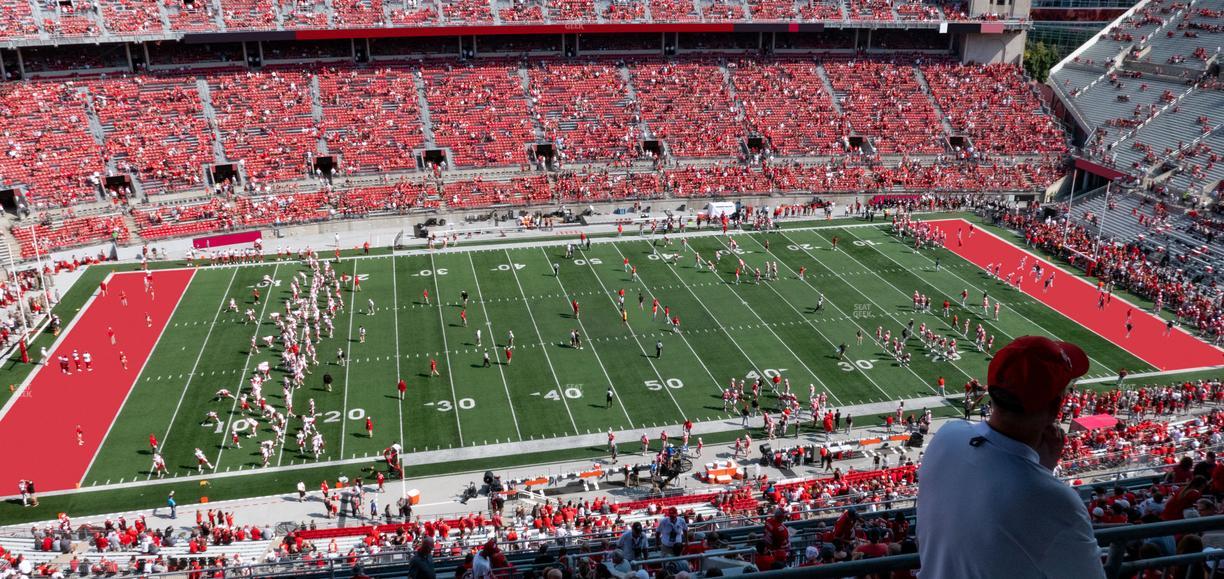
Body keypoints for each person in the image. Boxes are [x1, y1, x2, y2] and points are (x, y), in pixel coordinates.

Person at [917, 335, 1103, 578]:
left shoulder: (947, 436)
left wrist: (1039, 471)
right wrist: (1043, 473)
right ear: (1056, 407)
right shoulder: (1057, 501)